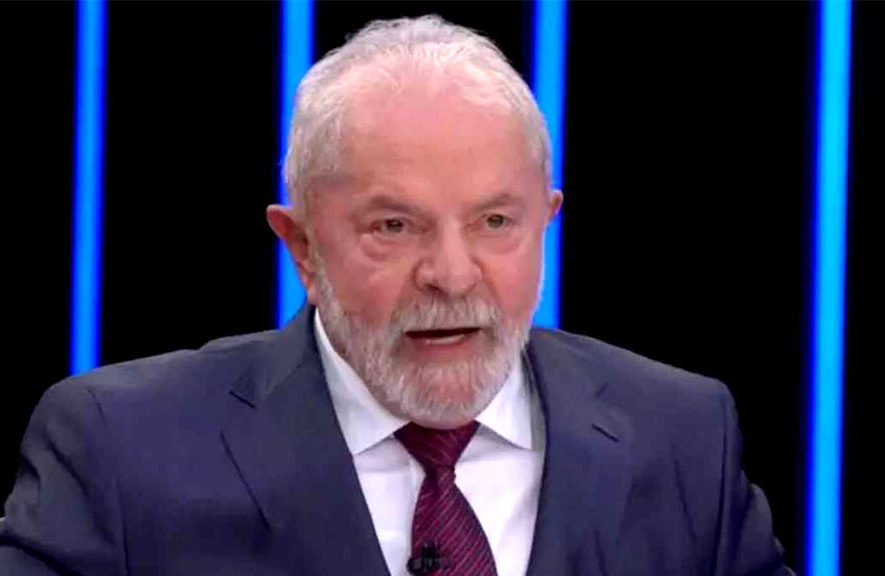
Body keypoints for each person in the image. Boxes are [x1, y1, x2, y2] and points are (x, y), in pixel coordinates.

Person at [1, 15, 792, 576]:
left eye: (493, 221)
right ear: (302, 247)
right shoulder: (118, 451)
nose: (451, 274)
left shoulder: (683, 437)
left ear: (546, 222)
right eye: (393, 226)